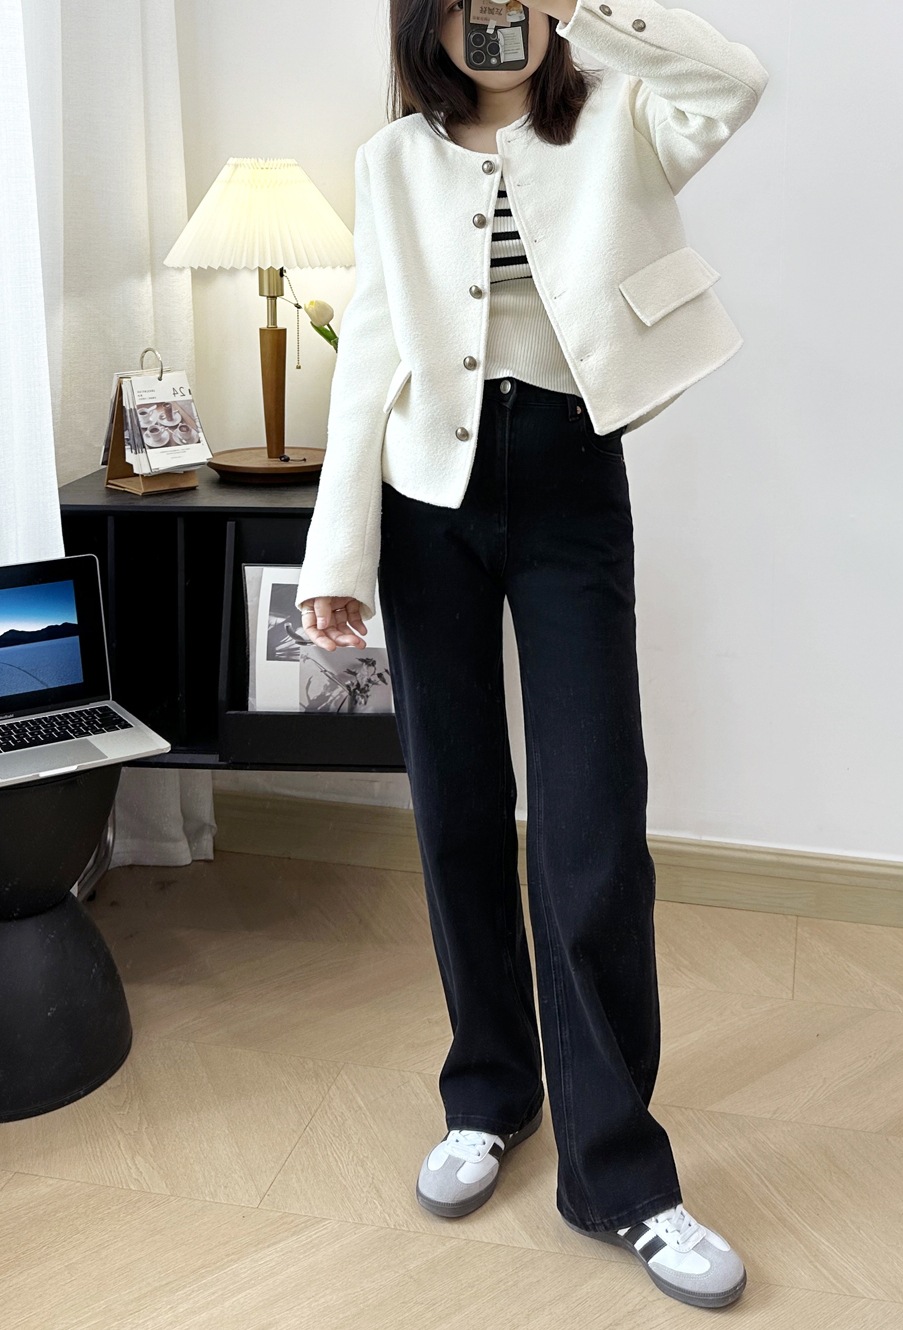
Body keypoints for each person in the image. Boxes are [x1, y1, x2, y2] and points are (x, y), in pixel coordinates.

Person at [296, 0, 768, 1310]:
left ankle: (620, 1175)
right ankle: (489, 1094)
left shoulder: (618, 115)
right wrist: (336, 556)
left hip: (569, 480)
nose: (486, 18)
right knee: (456, 811)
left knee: (594, 823)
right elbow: (369, 354)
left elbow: (734, 83)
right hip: (425, 502)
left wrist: (589, 7)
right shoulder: (392, 160)